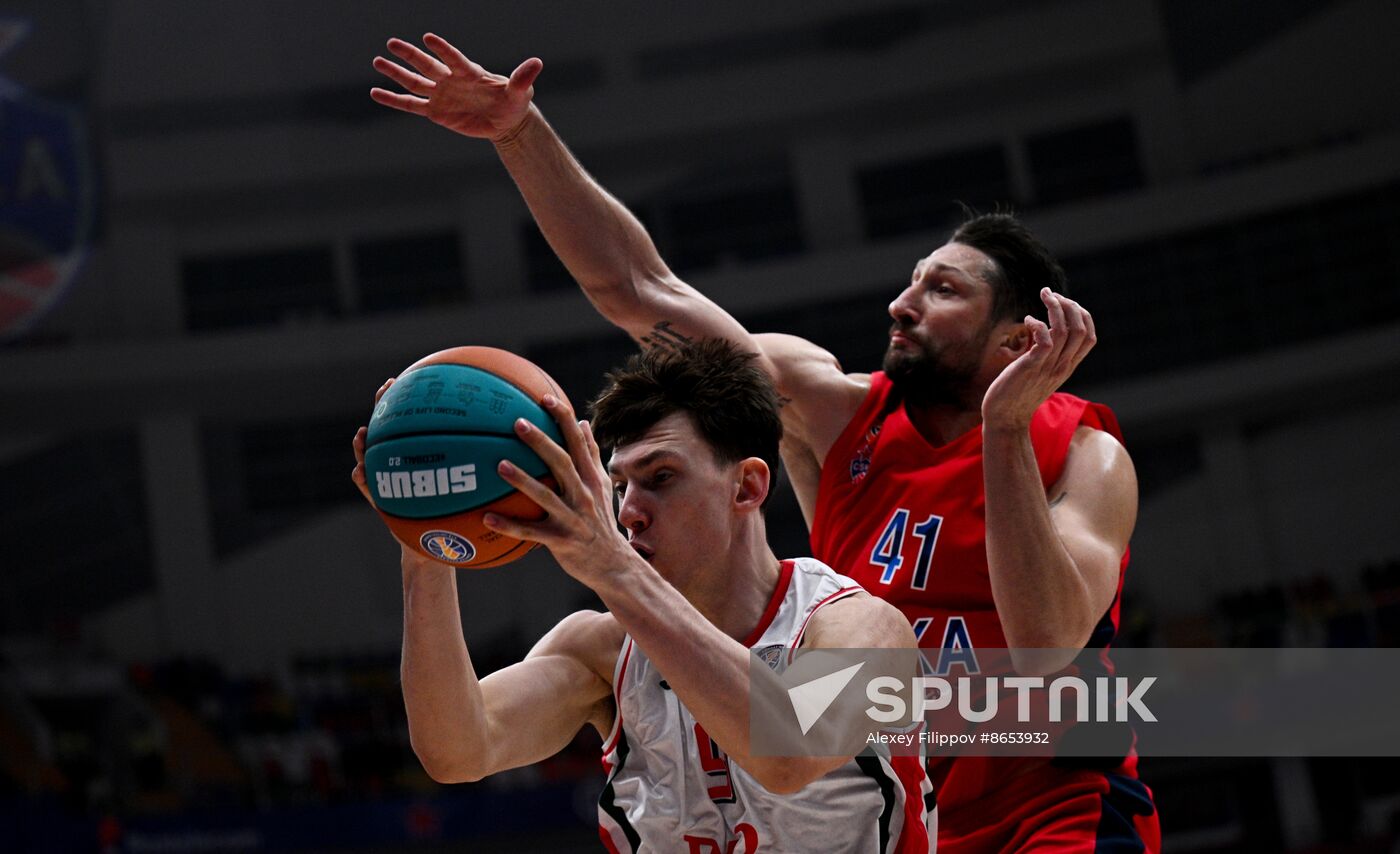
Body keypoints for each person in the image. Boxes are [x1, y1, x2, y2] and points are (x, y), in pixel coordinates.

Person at [370, 32, 1161, 852]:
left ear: (1015, 340)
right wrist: (517, 132)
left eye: (944, 288)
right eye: (913, 278)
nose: (902, 302)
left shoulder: (1083, 455)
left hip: (1047, 797)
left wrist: (1003, 428)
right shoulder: (829, 409)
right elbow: (641, 288)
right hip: (890, 787)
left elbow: (1039, 651)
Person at [351, 340, 931, 852]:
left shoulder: (862, 630)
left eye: (661, 478)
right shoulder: (600, 652)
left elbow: (790, 752)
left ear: (748, 486)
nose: (628, 512)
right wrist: (424, 546)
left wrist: (613, 570)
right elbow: (457, 750)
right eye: (621, 485)